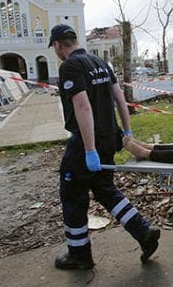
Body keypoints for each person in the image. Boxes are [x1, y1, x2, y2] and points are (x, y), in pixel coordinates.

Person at [49, 24, 160, 270]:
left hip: (87, 141)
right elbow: (120, 99)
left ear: (58, 45)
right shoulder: (100, 62)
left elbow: (83, 107)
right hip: (109, 137)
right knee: (104, 189)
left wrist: (89, 150)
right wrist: (127, 131)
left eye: (55, 48)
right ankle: (144, 232)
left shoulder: (69, 67)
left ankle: (79, 254)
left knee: (72, 194)